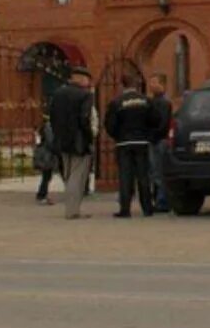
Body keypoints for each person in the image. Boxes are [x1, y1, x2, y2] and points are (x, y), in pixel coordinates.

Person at [104, 73, 155, 219]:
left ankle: (125, 209)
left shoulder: (116, 102)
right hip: (142, 142)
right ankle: (147, 208)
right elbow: (155, 119)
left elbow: (109, 124)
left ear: (122, 85)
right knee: (143, 176)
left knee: (125, 176)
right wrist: (147, 134)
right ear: (136, 85)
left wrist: (117, 136)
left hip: (124, 143)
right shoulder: (146, 101)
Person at [48, 66, 96, 220]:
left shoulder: (58, 94)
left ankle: (70, 208)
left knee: (68, 174)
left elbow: (52, 117)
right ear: (82, 79)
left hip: (62, 140)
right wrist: (89, 137)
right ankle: (72, 210)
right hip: (79, 141)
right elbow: (85, 119)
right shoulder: (85, 95)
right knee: (77, 176)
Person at [146, 73, 173, 213]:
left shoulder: (163, 102)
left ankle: (162, 202)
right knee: (155, 172)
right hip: (156, 139)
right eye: (150, 82)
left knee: (158, 172)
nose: (151, 85)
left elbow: (162, 124)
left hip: (158, 140)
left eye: (154, 82)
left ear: (162, 84)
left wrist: (152, 135)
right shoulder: (154, 101)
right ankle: (159, 199)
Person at [32, 115, 58, 206]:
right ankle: (41, 195)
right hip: (47, 155)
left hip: (44, 153)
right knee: (46, 176)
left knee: (46, 176)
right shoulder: (49, 126)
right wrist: (56, 149)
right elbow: (50, 141)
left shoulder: (44, 126)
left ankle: (42, 194)